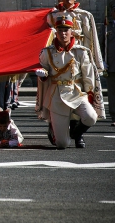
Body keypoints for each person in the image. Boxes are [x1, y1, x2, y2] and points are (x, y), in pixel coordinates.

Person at [36, 15, 99, 149]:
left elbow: (88, 75)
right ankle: (53, 128)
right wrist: (42, 75)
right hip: (56, 95)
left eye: (66, 30)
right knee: (62, 144)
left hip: (75, 92)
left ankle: (76, 134)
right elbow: (44, 70)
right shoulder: (47, 52)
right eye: (60, 30)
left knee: (91, 117)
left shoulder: (81, 52)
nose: (63, 33)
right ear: (56, 32)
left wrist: (89, 93)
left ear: (71, 32)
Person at [47, 0, 104, 73]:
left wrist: (89, 56)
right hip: (58, 49)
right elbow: (48, 35)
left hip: (78, 47)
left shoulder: (84, 15)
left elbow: (89, 38)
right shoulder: (53, 15)